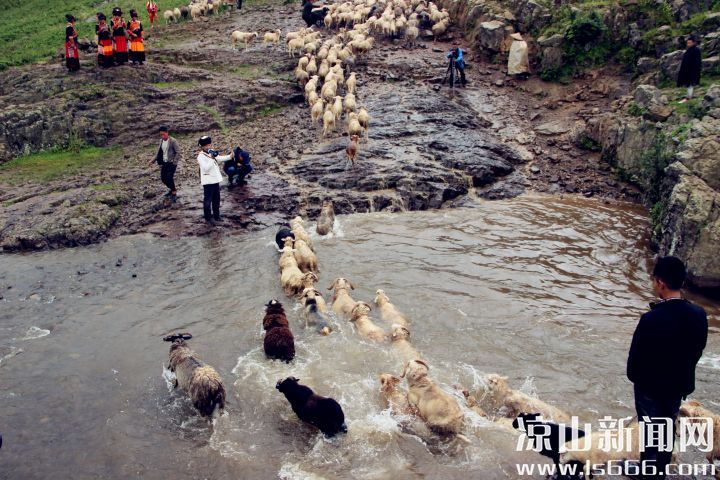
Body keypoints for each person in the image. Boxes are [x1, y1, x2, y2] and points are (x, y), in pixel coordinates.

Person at [627, 256, 707, 479]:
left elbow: (634, 361)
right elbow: (698, 349)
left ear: (660, 282)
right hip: (677, 386)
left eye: (654, 280)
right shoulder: (699, 315)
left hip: (649, 386)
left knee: (650, 429)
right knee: (666, 426)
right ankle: (659, 470)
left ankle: (647, 472)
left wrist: (637, 378)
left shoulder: (651, 319)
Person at [197, 136, 233, 223]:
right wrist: (212, 159)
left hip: (215, 180)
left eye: (209, 145)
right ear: (202, 146)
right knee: (208, 200)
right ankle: (208, 218)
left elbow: (219, 158)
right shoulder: (200, 156)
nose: (208, 147)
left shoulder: (211, 152)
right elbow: (206, 168)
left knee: (216, 199)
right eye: (206, 146)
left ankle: (217, 216)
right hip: (208, 182)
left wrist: (230, 156)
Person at [150, 126, 181, 202]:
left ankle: (174, 193)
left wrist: (174, 162)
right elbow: (158, 152)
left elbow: (178, 152)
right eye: (161, 135)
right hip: (164, 163)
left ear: (167, 133)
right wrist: (153, 160)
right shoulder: (161, 141)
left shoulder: (173, 141)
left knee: (169, 177)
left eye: (163, 134)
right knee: (163, 178)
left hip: (171, 163)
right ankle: (171, 189)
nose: (162, 136)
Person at [677, 35, 701, 104]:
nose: (688, 44)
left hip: (692, 71)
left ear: (693, 43)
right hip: (687, 71)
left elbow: (697, 62)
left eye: (689, 43)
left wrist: (695, 71)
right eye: (687, 43)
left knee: (691, 84)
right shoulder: (688, 50)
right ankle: (688, 96)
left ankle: (688, 98)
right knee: (689, 84)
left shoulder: (696, 50)